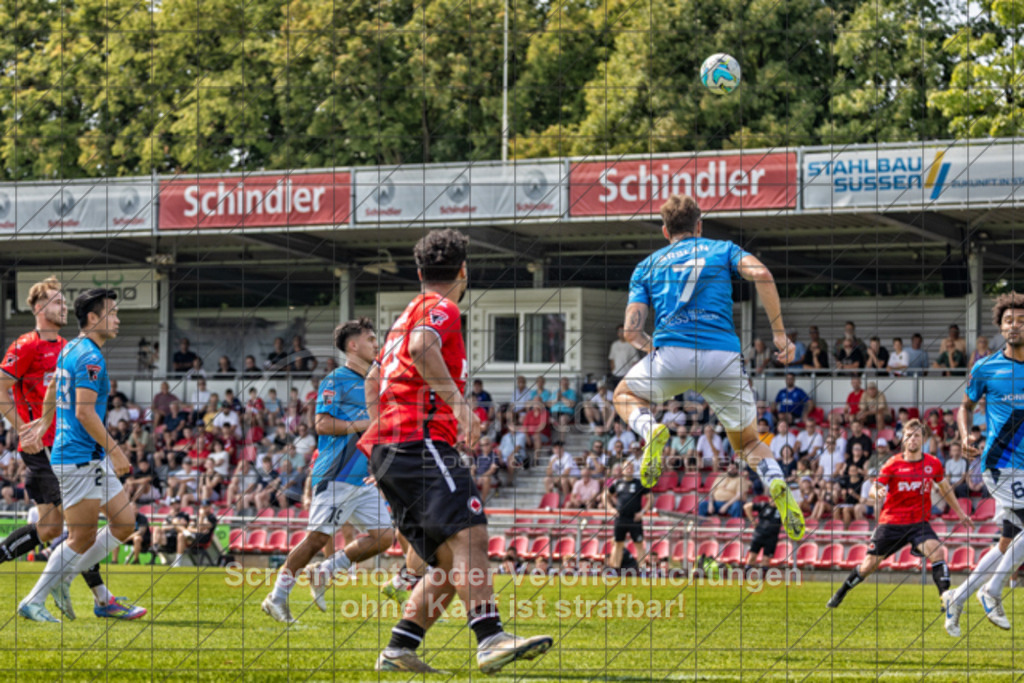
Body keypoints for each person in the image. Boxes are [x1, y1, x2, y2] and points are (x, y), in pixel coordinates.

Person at [358, 229, 552, 673]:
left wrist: (383, 432)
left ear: (420, 271)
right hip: (418, 440)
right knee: (471, 536)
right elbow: (422, 347)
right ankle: (491, 639)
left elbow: (373, 379)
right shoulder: (439, 308)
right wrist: (460, 407)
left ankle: (399, 648)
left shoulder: (403, 316)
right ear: (463, 272)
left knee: (449, 558)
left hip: (394, 445)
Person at [611, 194, 804, 540]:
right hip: (723, 358)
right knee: (747, 443)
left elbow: (631, 330)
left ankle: (651, 431)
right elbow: (761, 273)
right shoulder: (722, 249)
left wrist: (650, 345)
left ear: (664, 230)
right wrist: (779, 336)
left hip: (671, 355)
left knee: (623, 394)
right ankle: (776, 482)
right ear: (700, 226)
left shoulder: (647, 266)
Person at [0, 278, 126, 620]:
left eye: (64, 301)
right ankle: (95, 596)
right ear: (39, 309)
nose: (63, 306)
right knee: (63, 531)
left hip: (72, 447)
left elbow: (55, 385)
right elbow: (2, 388)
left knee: (66, 530)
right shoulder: (26, 345)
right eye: (56, 302)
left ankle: (99, 596)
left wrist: (45, 420)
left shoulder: (71, 346)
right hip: (49, 451)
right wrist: (26, 427)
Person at [262, 319, 395, 622]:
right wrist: (367, 425)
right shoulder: (335, 380)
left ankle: (325, 571)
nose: (376, 344)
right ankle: (276, 597)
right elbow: (321, 424)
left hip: (362, 478)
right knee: (315, 540)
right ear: (353, 345)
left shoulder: (376, 383)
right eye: (371, 339)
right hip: (335, 474)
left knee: (384, 536)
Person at [943, 292, 1024, 636]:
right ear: (1000, 326)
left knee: (1007, 541)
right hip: (999, 463)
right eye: (1009, 321)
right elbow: (964, 406)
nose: (1015, 326)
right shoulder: (986, 367)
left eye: (1021, 320)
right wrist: (964, 435)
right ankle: (992, 591)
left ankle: (958, 597)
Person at [827, 419, 970, 609]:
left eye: (917, 435)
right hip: (891, 523)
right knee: (868, 566)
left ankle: (946, 598)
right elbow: (874, 487)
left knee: (938, 551)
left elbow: (944, 488)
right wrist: (876, 492)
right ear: (903, 439)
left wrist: (960, 513)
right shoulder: (892, 464)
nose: (912, 439)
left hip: (918, 523)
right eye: (909, 435)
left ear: (923, 439)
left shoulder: (933, 464)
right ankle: (841, 592)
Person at [603, 461, 650, 569]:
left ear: (633, 470)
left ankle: (642, 570)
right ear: (623, 470)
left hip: (635, 518)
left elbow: (650, 498)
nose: (628, 469)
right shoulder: (617, 483)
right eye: (626, 467)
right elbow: (605, 495)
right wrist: (610, 509)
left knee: (639, 544)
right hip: (621, 518)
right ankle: (615, 570)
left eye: (631, 467)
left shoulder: (639, 483)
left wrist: (642, 512)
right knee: (618, 544)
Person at [743, 497, 782, 573]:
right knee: (752, 557)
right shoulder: (763, 505)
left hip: (772, 537)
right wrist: (753, 521)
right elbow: (746, 506)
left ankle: (762, 580)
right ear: (770, 499)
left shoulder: (783, 510)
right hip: (759, 535)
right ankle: (746, 578)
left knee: (766, 560)